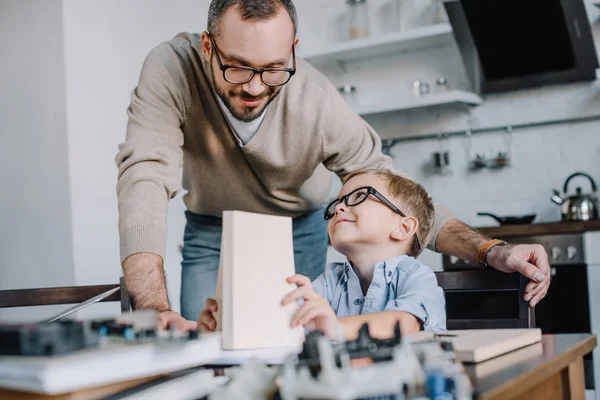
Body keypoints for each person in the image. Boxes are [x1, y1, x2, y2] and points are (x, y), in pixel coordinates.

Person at [115, 0, 550, 330]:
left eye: (272, 70)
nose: (254, 86)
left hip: (301, 223)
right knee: (202, 341)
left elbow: (400, 200)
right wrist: (156, 313)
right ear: (208, 47)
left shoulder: (315, 100)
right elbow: (144, 176)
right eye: (238, 68)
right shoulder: (171, 69)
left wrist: (490, 250)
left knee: (292, 339)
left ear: (293, 51)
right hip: (215, 226)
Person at [199, 169, 446, 338]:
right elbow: (290, 323)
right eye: (337, 202)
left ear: (403, 227)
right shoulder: (329, 281)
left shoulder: (417, 277)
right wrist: (228, 325)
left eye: (359, 196)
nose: (338, 207)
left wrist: (336, 327)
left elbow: (406, 324)